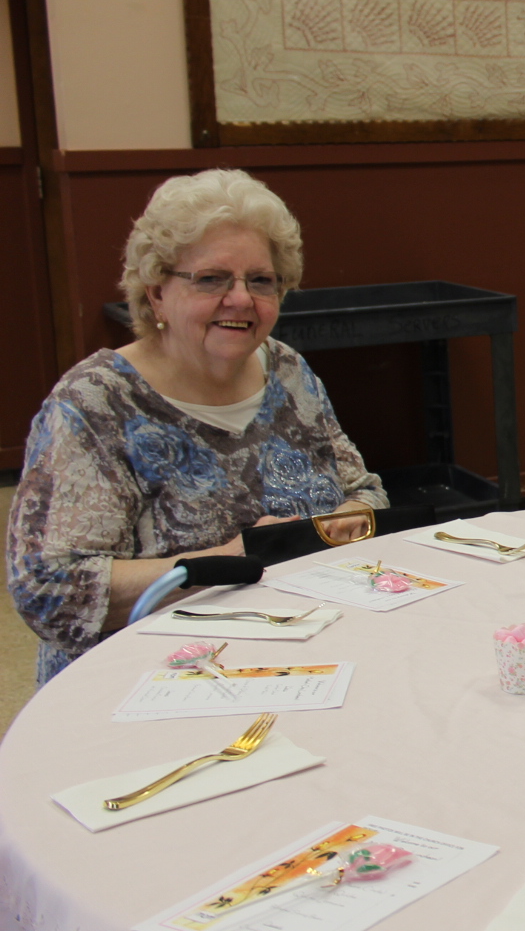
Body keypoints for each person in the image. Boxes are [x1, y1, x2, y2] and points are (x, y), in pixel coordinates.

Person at [6, 169, 388, 684]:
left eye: (260, 280)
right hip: (154, 679)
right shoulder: (96, 404)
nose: (241, 299)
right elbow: (50, 590)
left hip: (308, 647)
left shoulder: (288, 371)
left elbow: (365, 492)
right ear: (156, 293)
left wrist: (346, 520)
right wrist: (232, 558)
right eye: (211, 279)